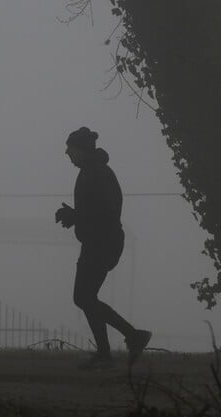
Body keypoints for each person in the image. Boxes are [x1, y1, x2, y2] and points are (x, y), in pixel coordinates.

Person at [55, 127, 151, 369]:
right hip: (97, 242)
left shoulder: (98, 173)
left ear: (81, 149)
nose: (67, 152)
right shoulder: (91, 172)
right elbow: (95, 211)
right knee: (86, 297)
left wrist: (76, 216)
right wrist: (75, 216)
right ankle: (117, 346)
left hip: (102, 243)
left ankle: (124, 341)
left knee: (84, 296)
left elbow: (105, 211)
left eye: (70, 148)